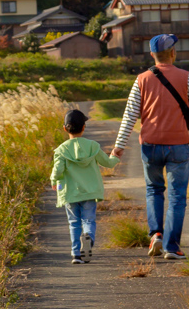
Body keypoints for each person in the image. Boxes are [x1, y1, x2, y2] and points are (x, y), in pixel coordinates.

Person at [112, 33, 189, 261]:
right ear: (173, 53)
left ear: (152, 55)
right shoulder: (187, 78)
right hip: (178, 146)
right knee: (177, 196)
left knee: (153, 190)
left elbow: (130, 115)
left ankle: (156, 234)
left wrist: (119, 145)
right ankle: (171, 246)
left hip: (150, 146)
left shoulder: (141, 79)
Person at [51, 107, 120, 264]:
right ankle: (88, 237)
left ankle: (76, 254)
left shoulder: (61, 150)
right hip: (89, 191)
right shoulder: (93, 146)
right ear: (84, 127)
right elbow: (107, 163)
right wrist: (115, 156)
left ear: (64, 128)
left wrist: (54, 180)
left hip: (70, 192)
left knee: (73, 223)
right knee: (88, 220)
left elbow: (58, 169)